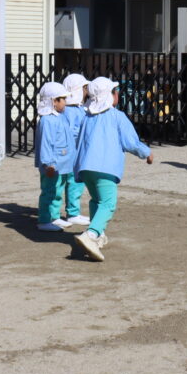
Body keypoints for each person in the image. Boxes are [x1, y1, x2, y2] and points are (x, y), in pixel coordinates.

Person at [73, 77, 154, 261]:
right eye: (114, 91)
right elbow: (131, 142)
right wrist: (147, 153)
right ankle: (91, 234)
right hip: (106, 167)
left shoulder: (86, 116)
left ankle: (98, 234)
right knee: (108, 203)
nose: (117, 94)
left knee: (96, 200)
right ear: (109, 96)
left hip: (86, 167)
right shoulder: (117, 116)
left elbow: (79, 139)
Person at [34, 81, 75, 232]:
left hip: (61, 163)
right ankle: (44, 220)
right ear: (54, 101)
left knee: (57, 191)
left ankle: (54, 216)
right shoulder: (47, 120)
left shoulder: (59, 117)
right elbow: (46, 143)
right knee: (49, 191)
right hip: (52, 164)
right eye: (63, 99)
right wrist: (48, 163)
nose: (65, 102)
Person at [59, 73, 92, 227]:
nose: (86, 92)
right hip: (73, 152)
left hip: (73, 152)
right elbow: (71, 133)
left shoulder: (74, 109)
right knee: (72, 182)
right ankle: (72, 213)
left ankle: (73, 212)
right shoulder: (70, 111)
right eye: (84, 88)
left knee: (73, 182)